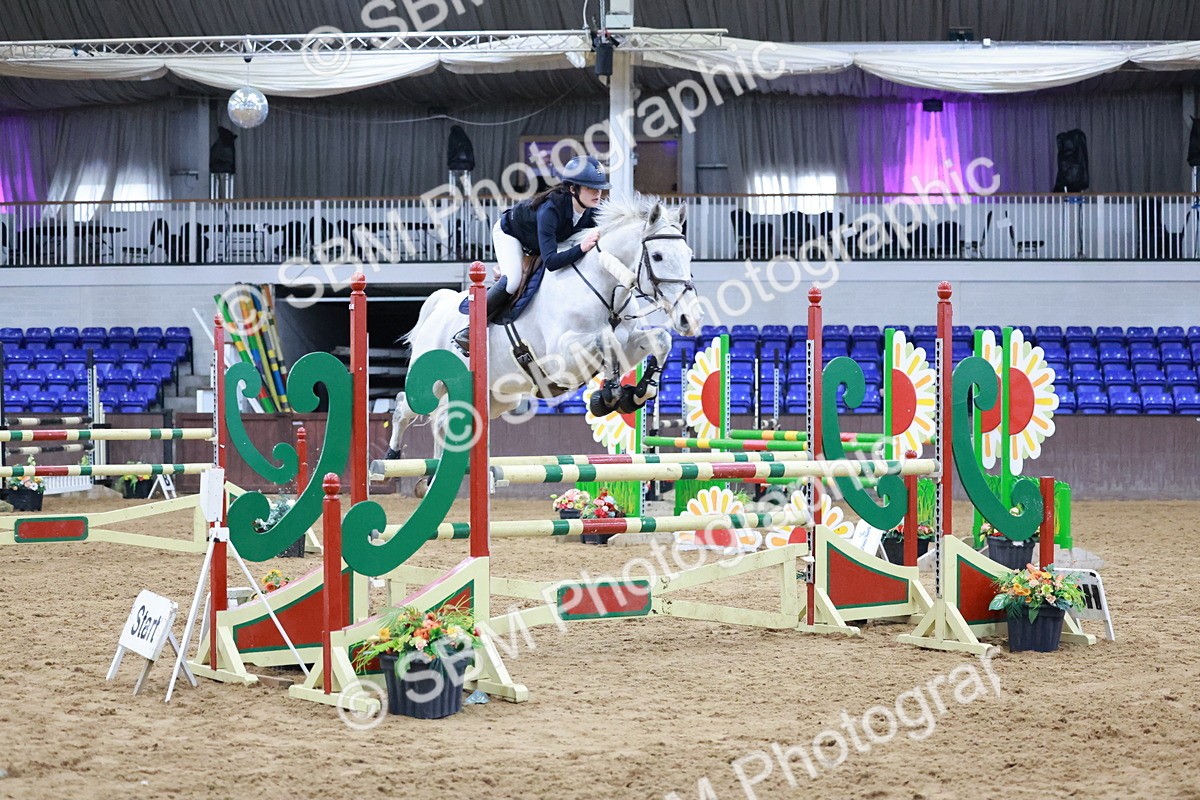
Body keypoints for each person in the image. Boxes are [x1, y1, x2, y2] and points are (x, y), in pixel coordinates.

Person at [453, 155, 610, 353]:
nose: (598, 193)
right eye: (591, 188)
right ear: (572, 189)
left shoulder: (592, 212)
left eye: (600, 188)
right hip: (510, 233)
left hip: (539, 241)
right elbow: (552, 262)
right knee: (513, 281)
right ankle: (470, 328)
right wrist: (581, 248)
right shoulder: (551, 210)